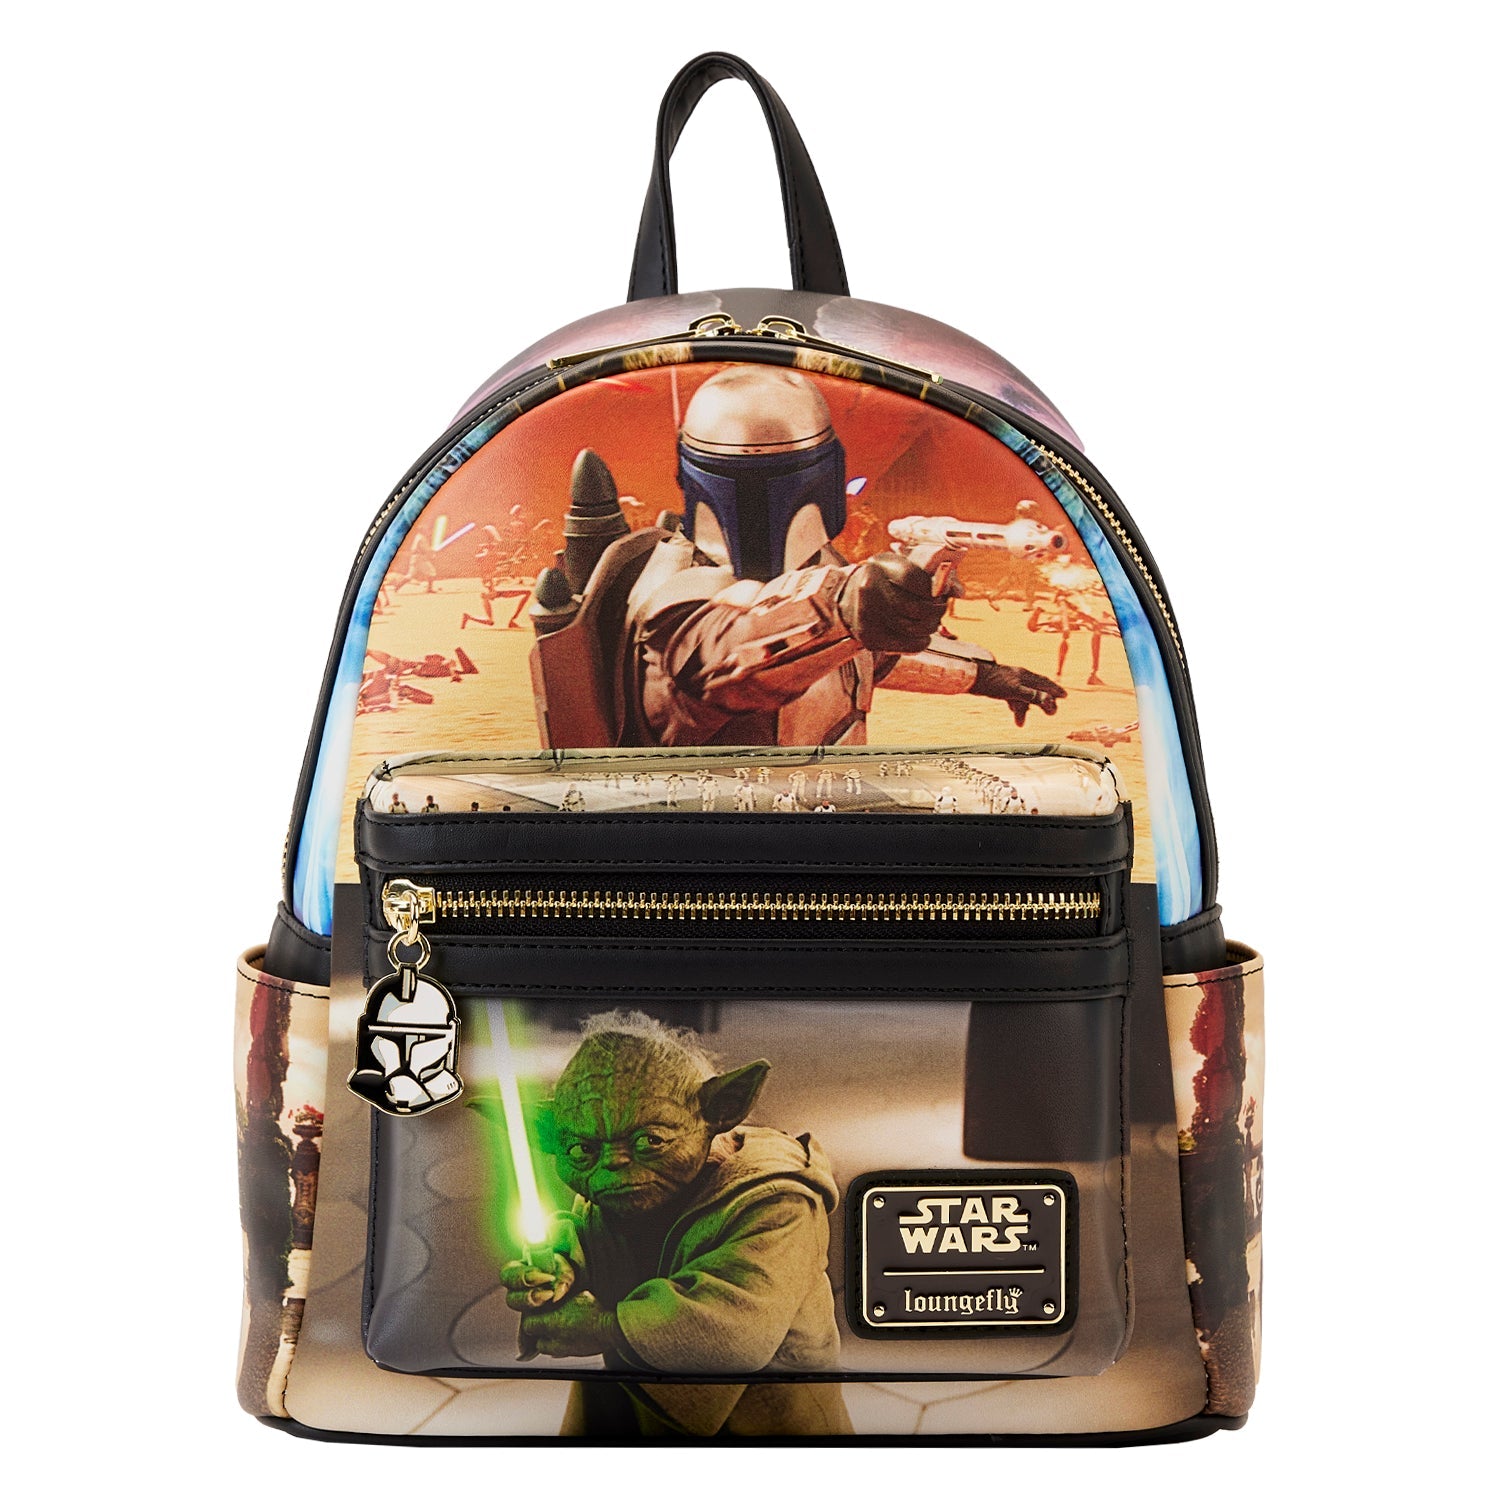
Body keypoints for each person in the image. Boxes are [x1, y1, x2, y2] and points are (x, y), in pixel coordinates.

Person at [502, 1012, 847, 1437]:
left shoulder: (777, 1200)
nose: (612, 1169)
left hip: (769, 1419)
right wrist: (561, 1267)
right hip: (636, 1392)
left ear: (720, 1111)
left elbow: (733, 1335)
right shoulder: (619, 1187)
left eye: (650, 1141)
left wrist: (602, 1326)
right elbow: (596, 1238)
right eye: (581, 1150)